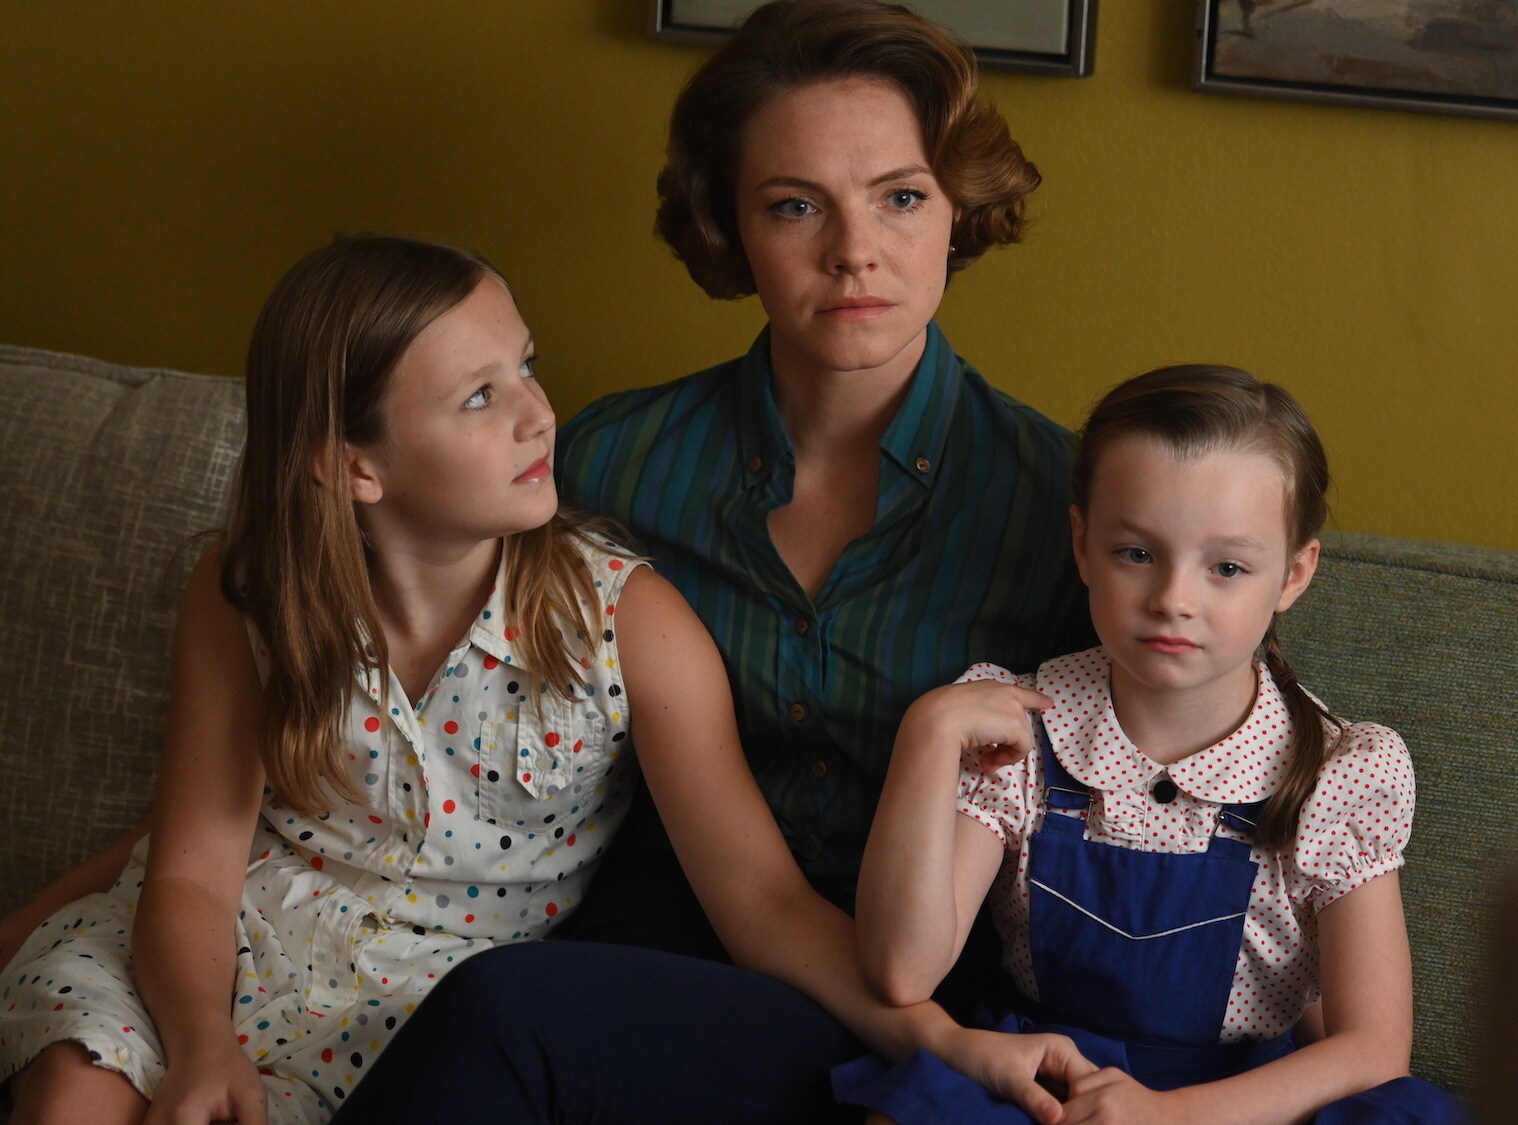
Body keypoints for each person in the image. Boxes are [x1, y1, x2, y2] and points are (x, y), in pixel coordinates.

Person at [330, 2, 1096, 1121]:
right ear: (730, 230)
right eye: (795, 207)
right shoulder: (607, 462)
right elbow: (387, 698)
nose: (853, 252)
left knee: (506, 1015)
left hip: (910, 971)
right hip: (651, 928)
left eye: (899, 196)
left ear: (957, 211)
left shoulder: (1060, 506)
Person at [0, 234, 659, 1123]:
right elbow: (193, 870)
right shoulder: (252, 591)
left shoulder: (620, 619)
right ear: (354, 465)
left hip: (413, 1007)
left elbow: (759, 895)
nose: (539, 412)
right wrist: (201, 1045)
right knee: (76, 1091)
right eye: (479, 396)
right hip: (206, 950)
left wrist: (893, 1019)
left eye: (527, 366)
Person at [836, 366, 1463, 1122]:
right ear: (1082, 543)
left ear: (1294, 573)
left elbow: (1373, 1048)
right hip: (1054, 1079)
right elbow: (901, 971)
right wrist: (927, 735)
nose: (1174, 598)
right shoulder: (1021, 731)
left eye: (1226, 567)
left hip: (1240, 1098)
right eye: (1137, 553)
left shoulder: (1337, 771)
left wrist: (1172, 1116)